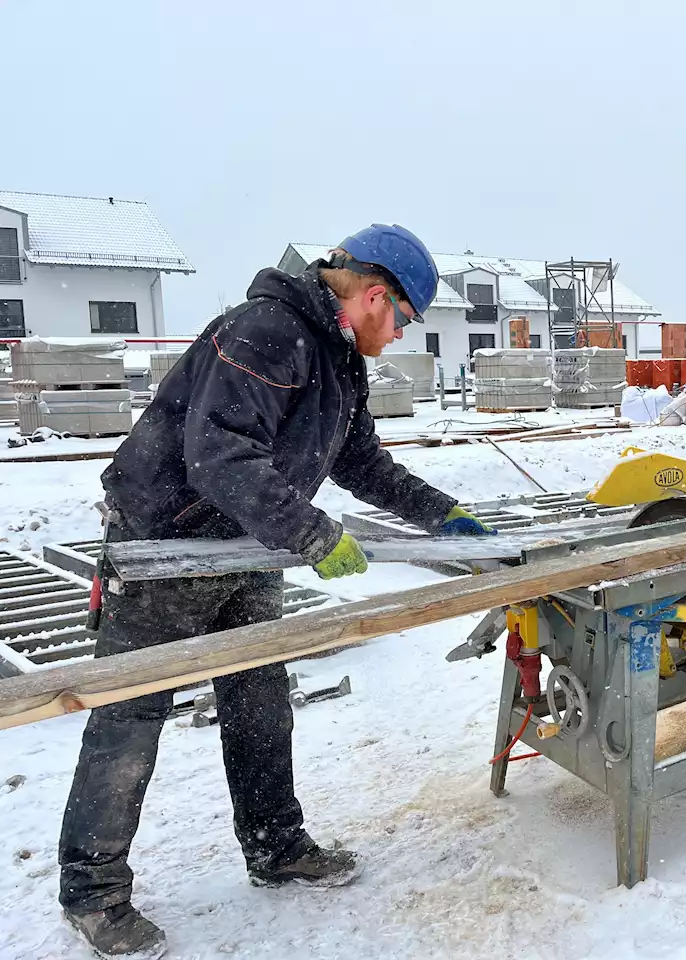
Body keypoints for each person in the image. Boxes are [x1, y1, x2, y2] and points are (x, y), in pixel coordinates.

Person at [59, 224, 494, 958]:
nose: (402, 334)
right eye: (406, 321)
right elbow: (218, 455)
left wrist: (439, 512)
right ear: (377, 296)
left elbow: (361, 462)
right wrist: (314, 533)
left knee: (259, 698)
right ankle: (93, 892)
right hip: (166, 544)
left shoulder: (337, 357)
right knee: (129, 717)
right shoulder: (269, 331)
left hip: (248, 541)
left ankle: (275, 845)